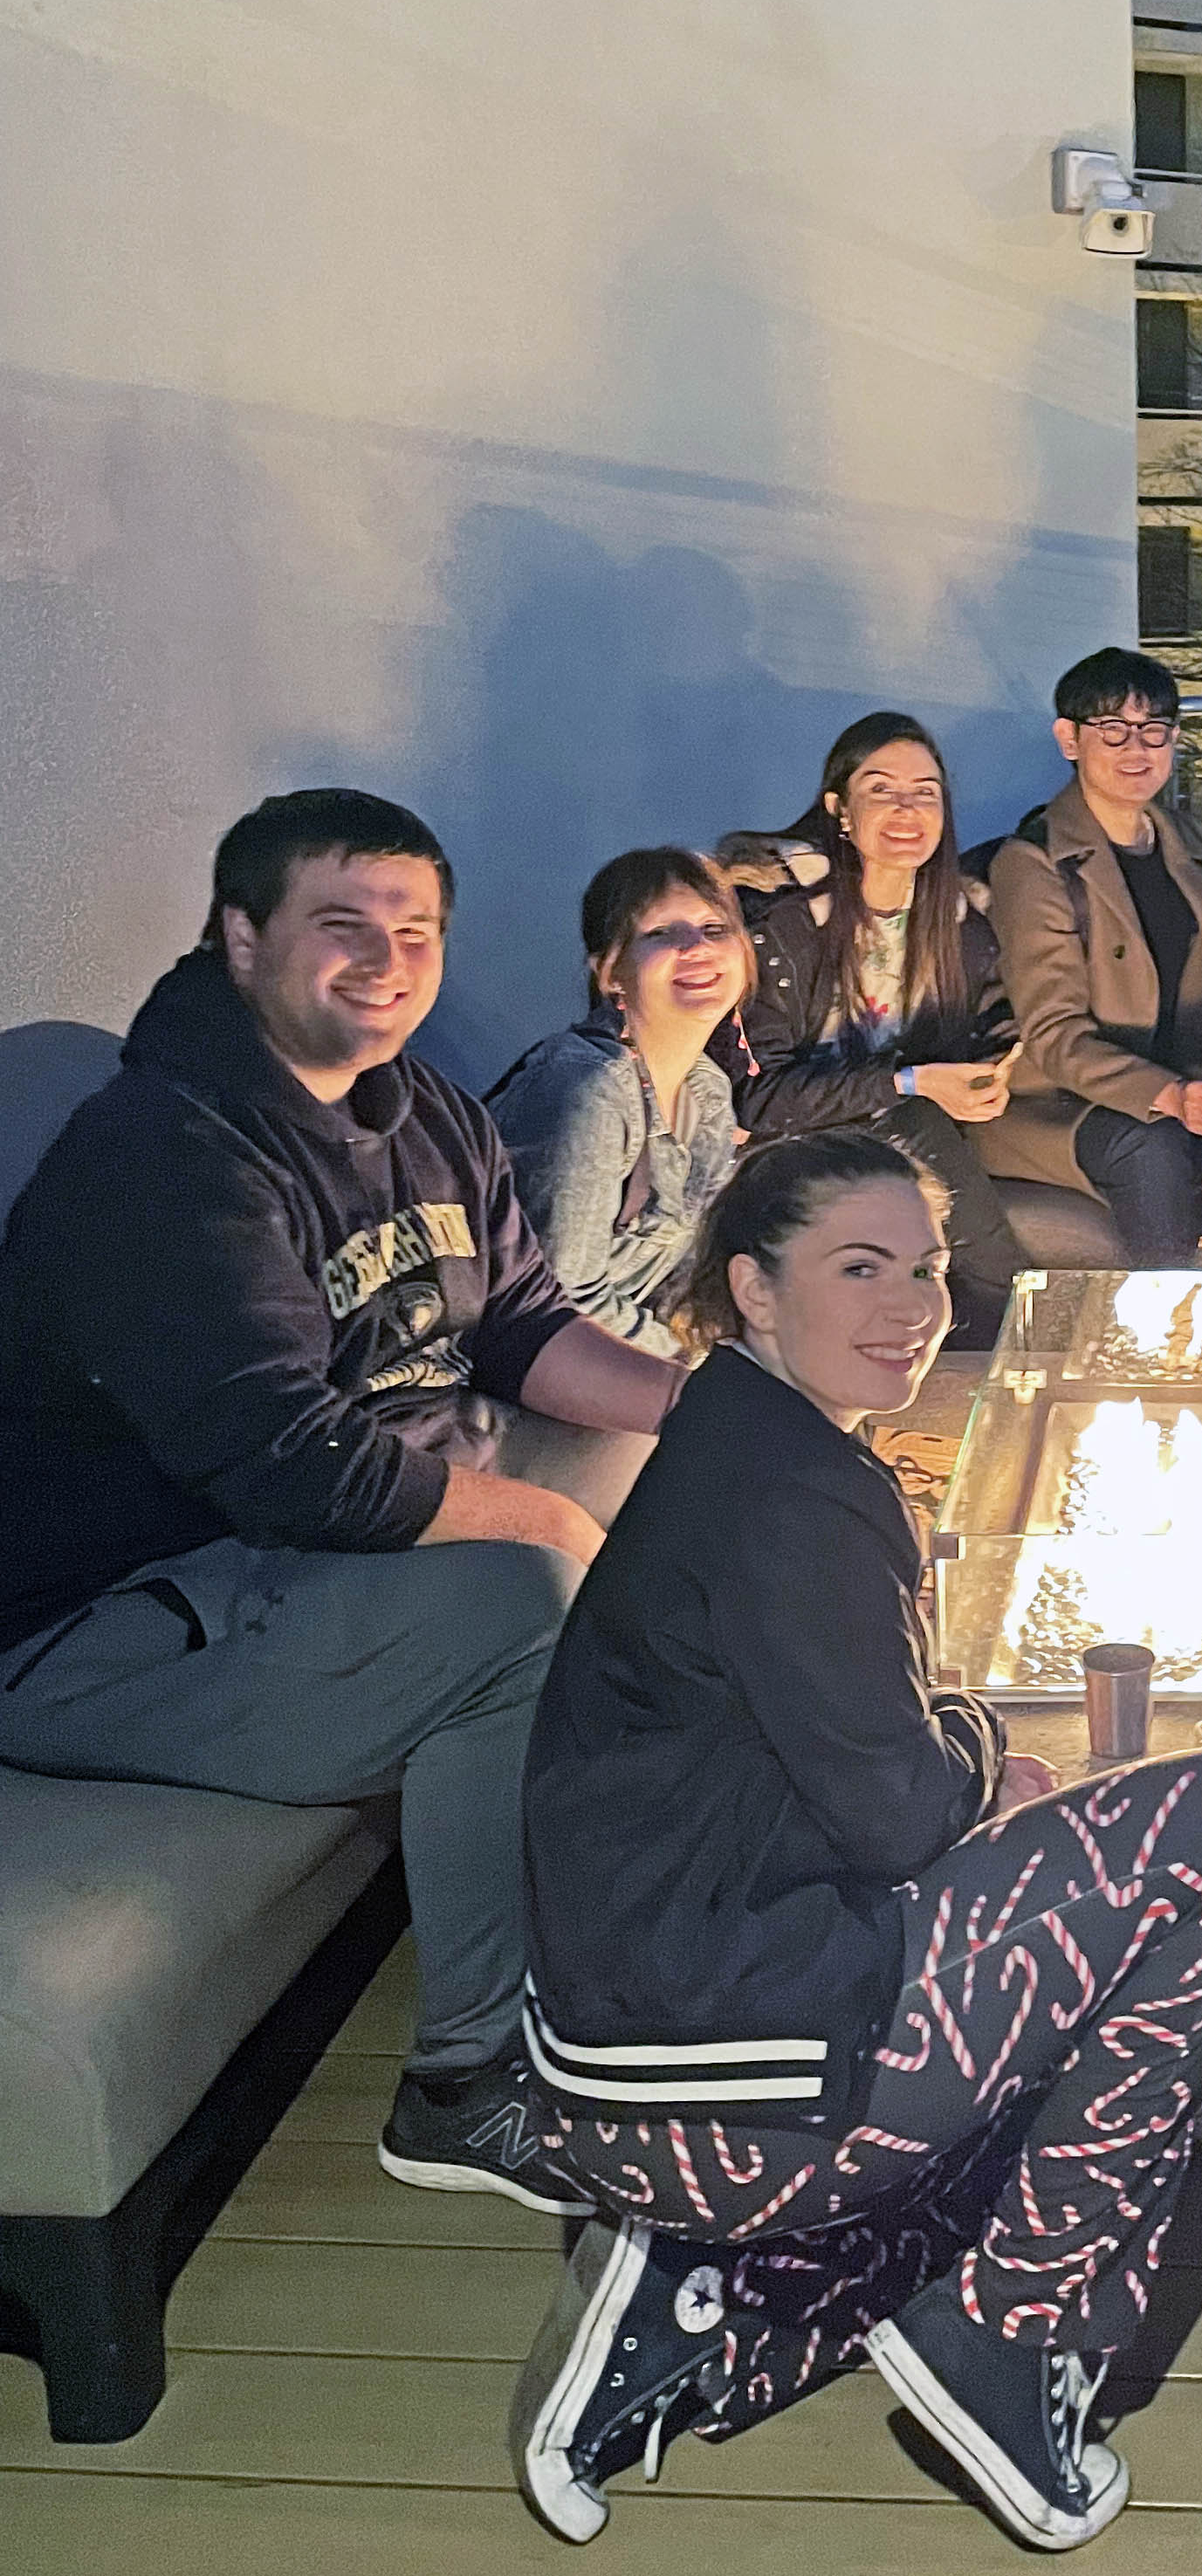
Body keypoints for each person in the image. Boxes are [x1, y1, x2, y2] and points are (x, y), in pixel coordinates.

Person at [511, 1130, 1202, 2551]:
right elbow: (901, 1814)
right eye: (859, 1269)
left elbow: (840, 1759)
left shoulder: (727, 1437)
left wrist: (967, 1770)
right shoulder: (795, 1497)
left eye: (926, 1270)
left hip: (623, 2055)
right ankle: (1008, 2335)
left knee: (1055, 1930)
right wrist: (982, 1751)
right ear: (753, 1289)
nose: (913, 1306)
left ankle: (712, 2298)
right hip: (732, 2095)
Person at [0, 789, 686, 2210]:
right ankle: (469, 2084)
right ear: (241, 937)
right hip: (105, 1628)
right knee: (529, 1592)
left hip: (281, 1564)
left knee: (644, 1485)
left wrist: (721, 1411)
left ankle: (658, 1944)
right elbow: (294, 1463)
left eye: (414, 929)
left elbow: (522, 1329)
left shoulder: (426, 1111)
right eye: (341, 924)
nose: (385, 960)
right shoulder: (164, 1154)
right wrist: (555, 1529)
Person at [719, 711, 1029, 1338]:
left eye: (925, 793)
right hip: (782, 1142)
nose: (906, 809)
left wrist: (994, 1068)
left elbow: (992, 1021)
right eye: (881, 789)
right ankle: (1020, 1328)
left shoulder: (958, 923)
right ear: (839, 809)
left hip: (897, 1131)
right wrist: (910, 1082)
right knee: (920, 1132)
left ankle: (1006, 1331)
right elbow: (758, 1099)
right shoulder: (780, 918)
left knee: (929, 1136)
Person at [979, 649, 1202, 1267]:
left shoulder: (1188, 841)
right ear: (1070, 739)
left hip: (1184, 1081)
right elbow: (1055, 1037)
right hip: (1056, 1102)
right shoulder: (1033, 862)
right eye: (1113, 729)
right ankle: (1167, 1321)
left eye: (1153, 730)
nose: (1136, 749)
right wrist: (1174, 1096)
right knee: (1151, 1147)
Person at [487, 849, 748, 1356]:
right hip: (535, 1366)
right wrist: (697, 1367)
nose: (696, 947)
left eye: (714, 929)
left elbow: (687, 1279)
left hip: (627, 1358)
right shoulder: (590, 1086)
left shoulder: (709, 1092)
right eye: (661, 933)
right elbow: (560, 1301)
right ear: (610, 974)